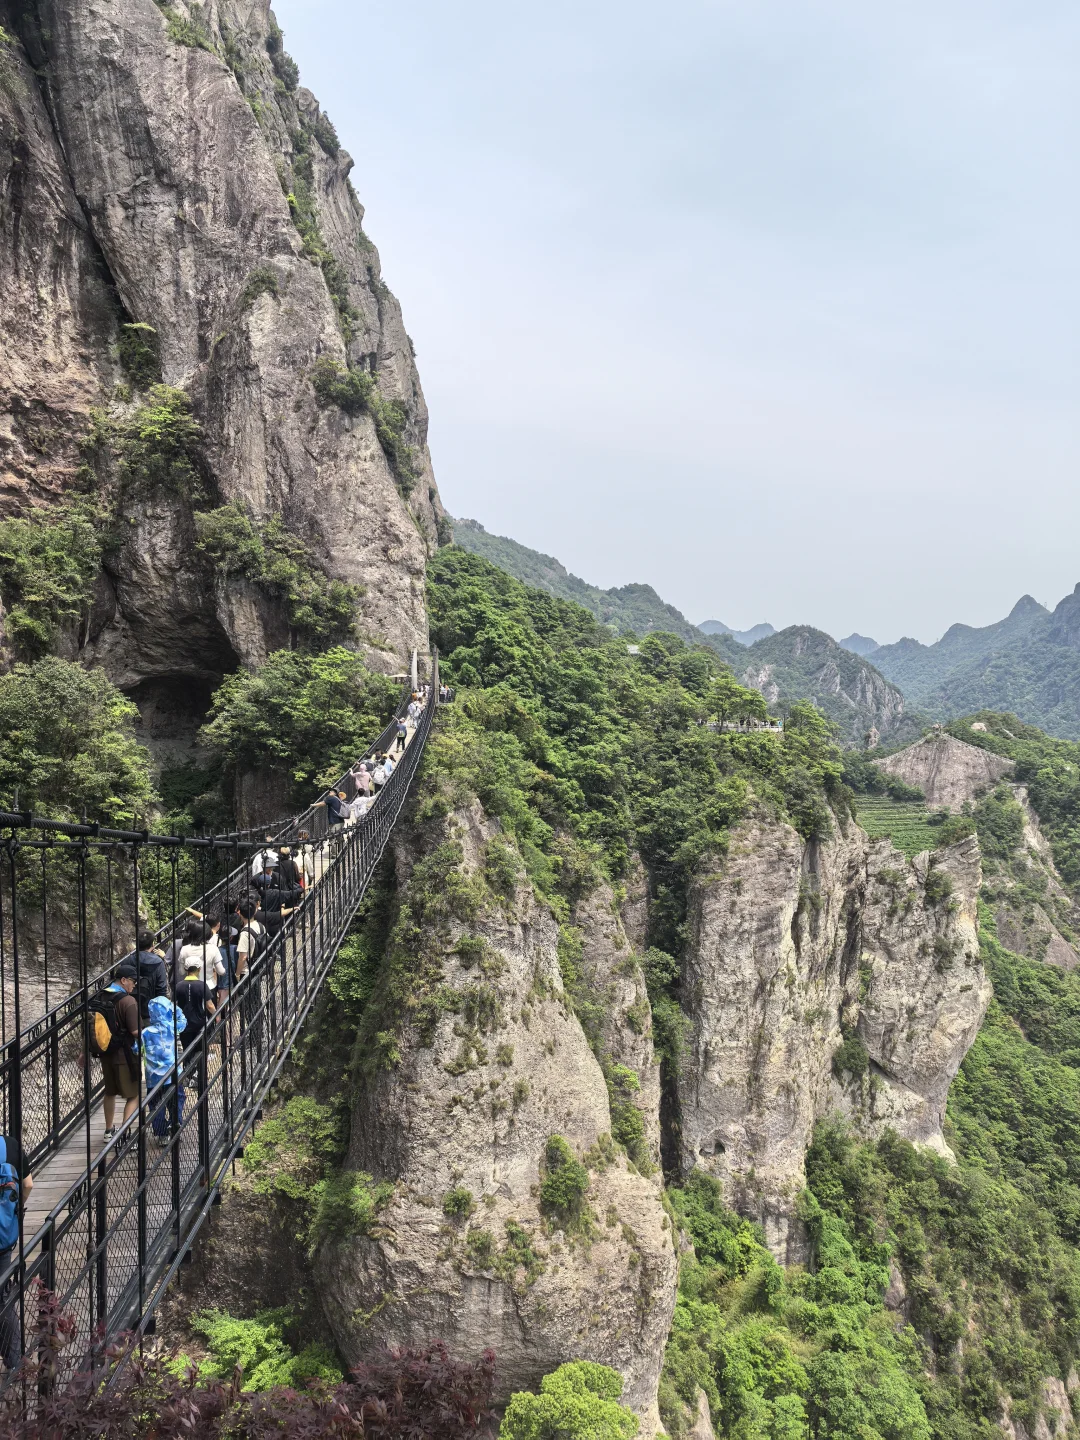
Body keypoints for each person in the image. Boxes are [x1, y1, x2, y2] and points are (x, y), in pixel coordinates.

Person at [93, 962, 141, 1140]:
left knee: (110, 1092)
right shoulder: (128, 1001)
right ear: (123, 980)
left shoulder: (101, 997)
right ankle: (125, 1134)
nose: (134, 985)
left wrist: (84, 1052)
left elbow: (93, 1026)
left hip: (106, 1053)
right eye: (133, 981)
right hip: (125, 1055)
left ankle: (108, 1131)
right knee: (134, 1095)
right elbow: (135, 1031)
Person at [0, 1132, 31, 1372]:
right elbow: (28, 1184)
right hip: (3, 1236)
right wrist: (16, 1209)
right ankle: (16, 1361)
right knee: (3, 1299)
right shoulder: (10, 1145)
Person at [141, 995, 187, 1147]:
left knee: (155, 1105)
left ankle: (161, 1134)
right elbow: (183, 1021)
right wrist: (175, 1008)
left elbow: (136, 1049)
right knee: (177, 1099)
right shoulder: (172, 1028)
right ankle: (175, 1123)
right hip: (173, 1073)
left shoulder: (145, 1033)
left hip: (153, 1077)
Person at [175, 956, 216, 1051]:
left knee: (187, 1051)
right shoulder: (202, 985)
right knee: (201, 1051)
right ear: (199, 969)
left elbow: (174, 1004)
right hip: (200, 1023)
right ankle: (201, 1066)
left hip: (184, 1024)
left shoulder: (178, 986)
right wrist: (216, 1016)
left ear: (185, 969)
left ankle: (189, 1065)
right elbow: (209, 1005)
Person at [177, 920, 226, 998]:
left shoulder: (185, 949)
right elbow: (221, 971)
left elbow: (181, 972)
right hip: (209, 986)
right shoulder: (213, 948)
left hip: (191, 988)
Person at [135, 930, 170, 1007]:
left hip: (133, 1002)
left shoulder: (129, 960)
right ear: (152, 945)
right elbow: (162, 987)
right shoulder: (158, 961)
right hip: (153, 1003)